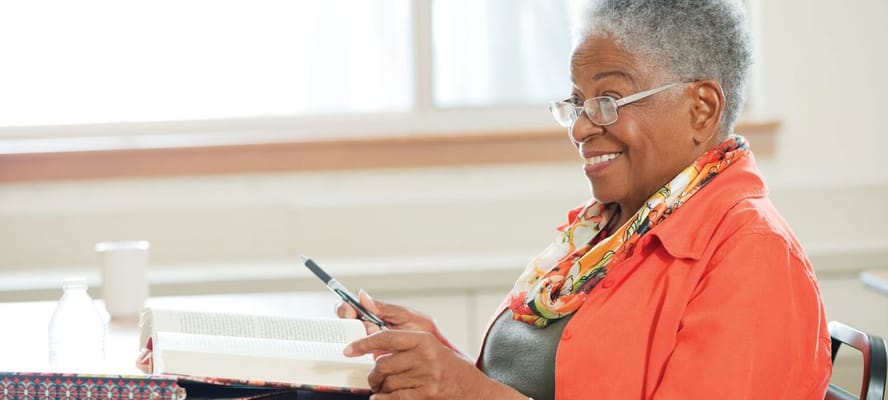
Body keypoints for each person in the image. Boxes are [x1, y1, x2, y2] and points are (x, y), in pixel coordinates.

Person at [338, 0, 832, 399]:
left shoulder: (754, 255)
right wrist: (438, 362)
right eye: (576, 102)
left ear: (701, 109)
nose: (579, 127)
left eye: (608, 101)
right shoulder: (614, 226)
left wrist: (469, 393)